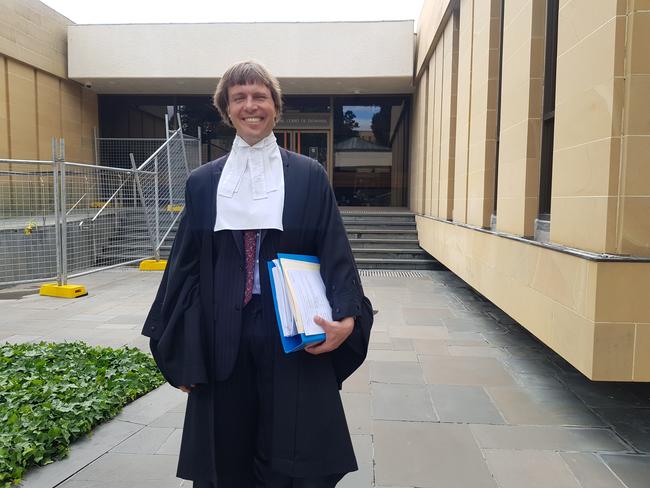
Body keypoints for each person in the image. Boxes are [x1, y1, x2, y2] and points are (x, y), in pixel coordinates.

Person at [142, 60, 373, 488]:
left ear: (275, 107)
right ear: (226, 109)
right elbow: (185, 269)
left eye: (260, 96)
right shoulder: (203, 182)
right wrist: (182, 352)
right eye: (239, 98)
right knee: (225, 451)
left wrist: (348, 314)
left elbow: (334, 250)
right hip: (220, 335)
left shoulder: (308, 175)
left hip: (289, 331)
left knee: (294, 445)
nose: (251, 106)